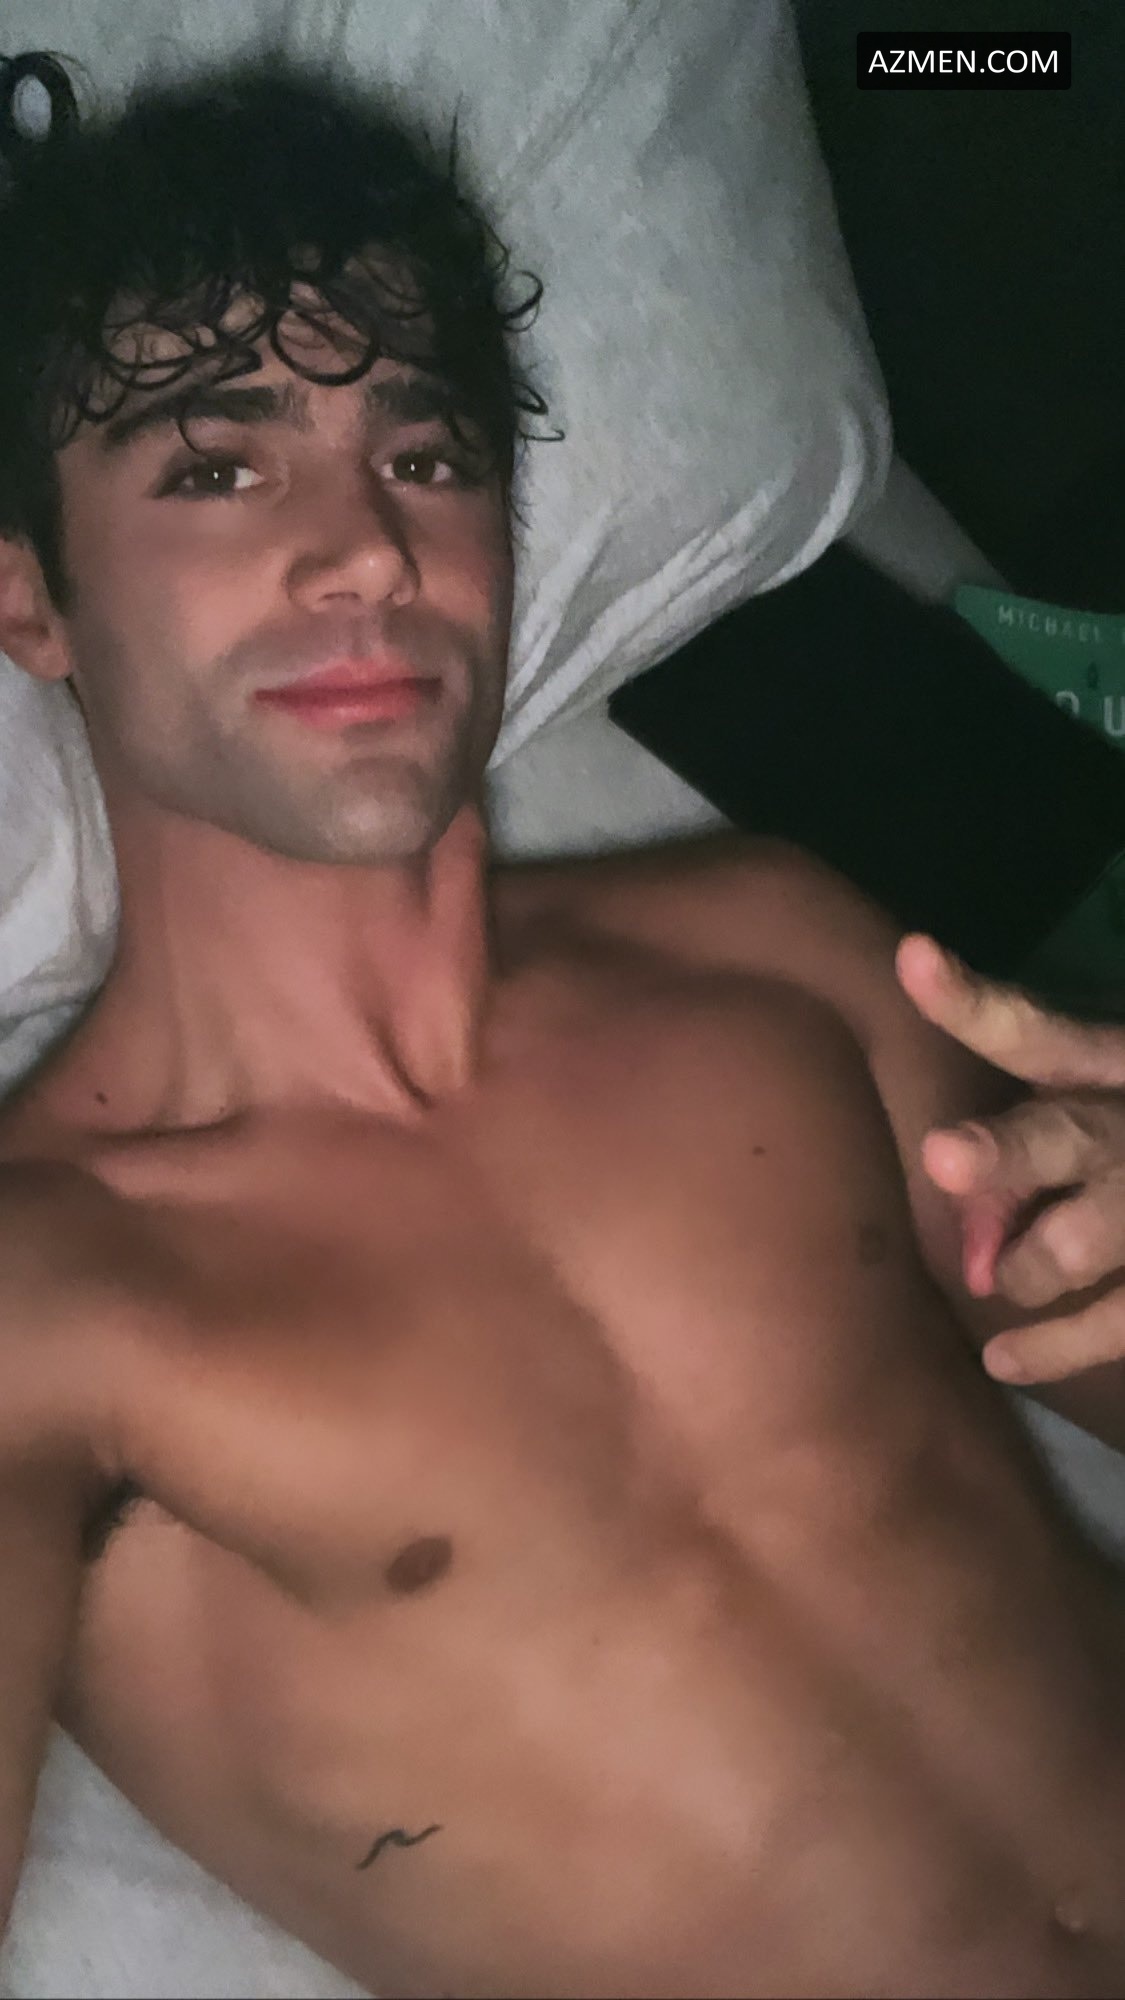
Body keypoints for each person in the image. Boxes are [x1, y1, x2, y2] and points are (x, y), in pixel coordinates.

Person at [1, 47, 1125, 2000]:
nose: (369, 547)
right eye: (216, 466)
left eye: (429, 455)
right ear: (31, 603)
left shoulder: (774, 949)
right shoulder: (48, 1306)